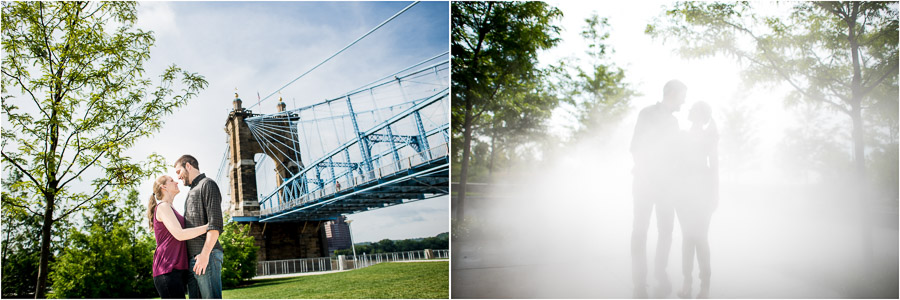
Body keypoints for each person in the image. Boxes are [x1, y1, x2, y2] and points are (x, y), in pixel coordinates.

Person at [630, 79, 687, 298]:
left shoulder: (674, 122)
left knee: (666, 230)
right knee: (640, 231)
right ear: (672, 93)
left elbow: (675, 155)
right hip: (645, 183)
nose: (684, 101)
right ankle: (638, 280)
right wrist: (648, 174)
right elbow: (635, 147)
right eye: (683, 96)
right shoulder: (646, 114)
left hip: (666, 186)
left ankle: (659, 271)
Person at [675, 101, 719, 299]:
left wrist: (715, 194)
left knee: (701, 238)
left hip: (703, 192)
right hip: (683, 192)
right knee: (687, 238)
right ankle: (687, 281)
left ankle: (705, 285)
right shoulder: (682, 136)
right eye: (691, 109)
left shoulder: (710, 138)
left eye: (695, 109)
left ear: (702, 114)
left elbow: (715, 167)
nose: (690, 111)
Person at [147, 175, 210, 299]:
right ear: (163, 186)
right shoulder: (162, 207)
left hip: (177, 270)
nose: (176, 182)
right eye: (171, 180)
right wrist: (209, 227)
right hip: (167, 269)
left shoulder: (171, 208)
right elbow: (180, 234)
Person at [174, 155, 225, 299]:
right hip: (194, 261)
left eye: (178, 171)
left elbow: (215, 225)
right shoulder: (191, 191)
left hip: (207, 257)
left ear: (188, 166)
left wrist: (204, 255)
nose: (178, 177)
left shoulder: (207, 184)